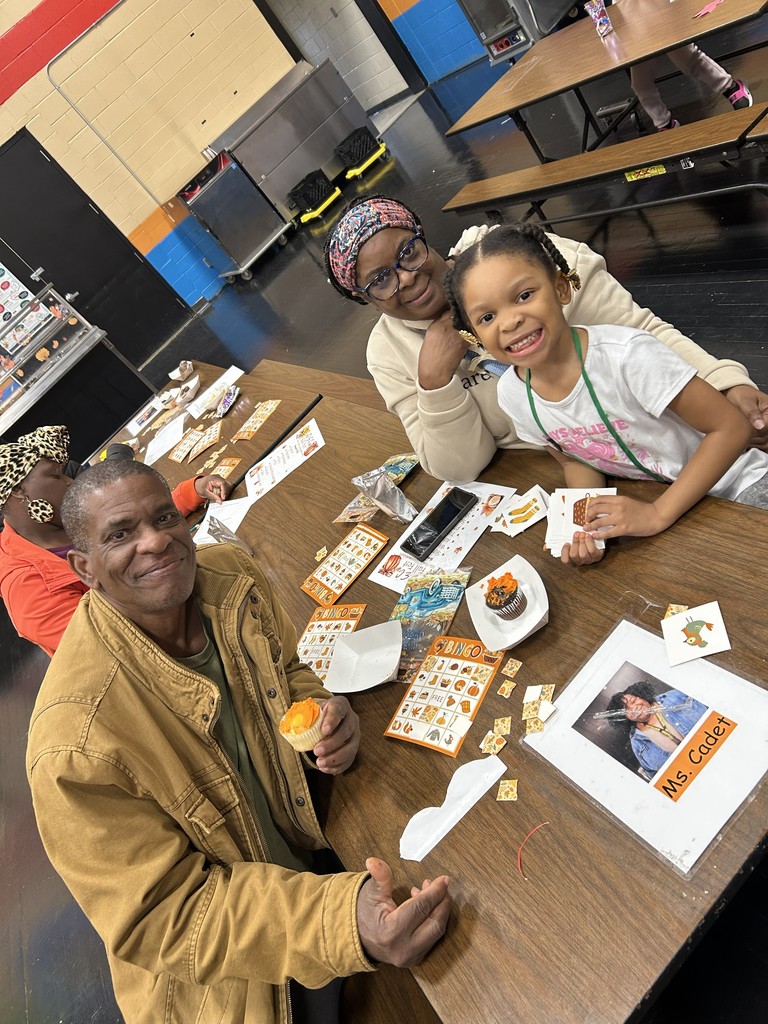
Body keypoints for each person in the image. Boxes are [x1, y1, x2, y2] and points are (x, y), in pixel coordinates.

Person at [26, 459, 451, 1024]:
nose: (155, 542)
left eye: (163, 516)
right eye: (121, 535)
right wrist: (340, 922)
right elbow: (167, 919)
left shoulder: (229, 575)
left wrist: (324, 715)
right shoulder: (71, 745)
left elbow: (288, 669)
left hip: (322, 847)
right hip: (237, 985)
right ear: (84, 567)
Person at [323, 195, 768, 482]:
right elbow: (460, 466)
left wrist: (726, 382)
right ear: (365, 299)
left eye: (408, 251)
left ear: (423, 238)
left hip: (661, 431)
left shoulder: (515, 256)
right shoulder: (388, 351)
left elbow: (639, 332)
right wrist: (435, 383)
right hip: (567, 470)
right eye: (380, 280)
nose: (407, 277)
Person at [443, 222, 768, 564]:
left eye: (524, 295)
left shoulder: (626, 356)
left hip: (736, 483)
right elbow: (573, 457)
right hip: (665, 503)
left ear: (561, 289)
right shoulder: (513, 394)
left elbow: (731, 427)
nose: (509, 322)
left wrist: (657, 514)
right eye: (487, 316)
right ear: (474, 335)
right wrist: (587, 527)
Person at [0, 425, 231, 655]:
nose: (70, 482)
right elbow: (114, 647)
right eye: (55, 476)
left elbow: (128, 520)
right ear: (19, 490)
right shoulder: (26, 590)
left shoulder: (56, 523)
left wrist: (191, 492)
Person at [629, 46, 752, 132]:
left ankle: (730, 87)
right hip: (632, 27)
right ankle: (665, 124)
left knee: (688, 59)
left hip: (660, 16)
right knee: (640, 83)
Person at [606, 682, 708, 776]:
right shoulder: (638, 743)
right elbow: (656, 777)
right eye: (626, 710)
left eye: (633, 701)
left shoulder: (675, 697)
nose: (634, 708)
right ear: (624, 717)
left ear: (641, 695)